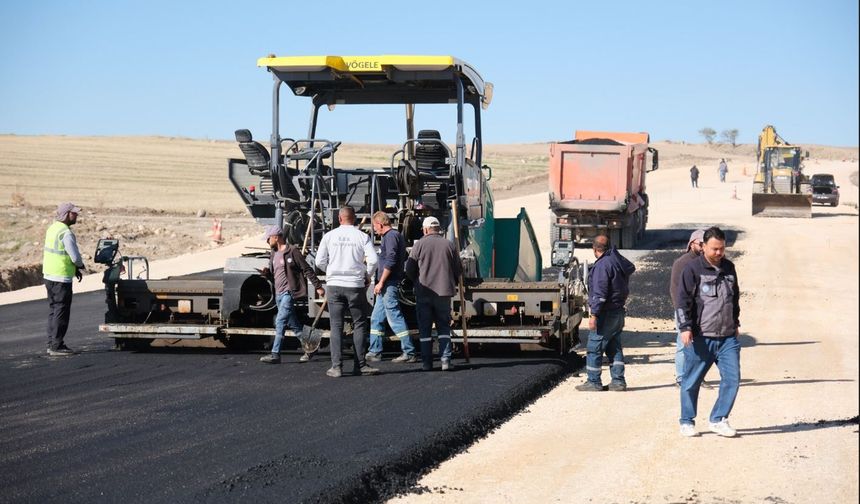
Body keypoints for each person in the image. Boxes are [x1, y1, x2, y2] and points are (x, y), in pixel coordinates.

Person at [677, 226, 741, 438]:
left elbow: (734, 298)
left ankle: (719, 419)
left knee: (732, 379)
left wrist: (735, 322)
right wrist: (685, 328)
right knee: (691, 381)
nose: (719, 253)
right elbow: (682, 301)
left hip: (727, 338)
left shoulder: (729, 268)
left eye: (722, 248)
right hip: (701, 337)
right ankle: (687, 421)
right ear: (703, 246)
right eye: (714, 249)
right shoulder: (692, 269)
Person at [315, 206, 380, 378]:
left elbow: (319, 261)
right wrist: (367, 275)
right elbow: (374, 260)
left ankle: (336, 367)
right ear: (355, 218)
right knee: (359, 324)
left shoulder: (329, 236)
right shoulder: (362, 236)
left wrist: (331, 271)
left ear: (339, 218)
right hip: (355, 285)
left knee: (336, 325)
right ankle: (361, 365)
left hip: (334, 285)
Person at [575, 234, 635, 392]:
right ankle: (618, 381)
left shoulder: (602, 266)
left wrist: (594, 315)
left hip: (606, 313)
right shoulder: (616, 261)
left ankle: (593, 381)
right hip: (618, 311)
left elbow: (600, 293)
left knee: (594, 347)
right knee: (614, 347)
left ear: (594, 249)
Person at [258, 225, 325, 364]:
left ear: (276, 237)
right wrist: (266, 274)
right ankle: (310, 347)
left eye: (268, 238)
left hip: (289, 293)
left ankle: (275, 354)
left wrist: (318, 286)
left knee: (280, 321)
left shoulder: (292, 251)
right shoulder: (273, 253)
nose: (267, 241)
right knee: (293, 323)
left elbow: (306, 269)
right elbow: (275, 274)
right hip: (278, 293)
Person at [404, 216, 461, 371]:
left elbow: (409, 269)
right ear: (438, 228)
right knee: (444, 327)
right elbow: (458, 269)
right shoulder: (449, 245)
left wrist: (416, 281)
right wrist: (452, 281)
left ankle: (427, 363)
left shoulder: (419, 245)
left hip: (424, 292)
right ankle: (445, 360)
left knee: (425, 329)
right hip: (444, 293)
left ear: (426, 229)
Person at [366, 211, 416, 364]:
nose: (374, 229)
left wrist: (381, 282)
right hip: (386, 284)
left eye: (374, 226)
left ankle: (409, 351)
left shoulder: (391, 237)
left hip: (388, 283)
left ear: (380, 224)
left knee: (394, 316)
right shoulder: (393, 236)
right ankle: (375, 351)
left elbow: (391, 260)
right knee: (376, 318)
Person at [42, 202, 87, 356]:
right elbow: (74, 256)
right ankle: (57, 346)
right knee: (61, 310)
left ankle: (51, 343)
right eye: (74, 213)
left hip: (49, 276)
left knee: (54, 310)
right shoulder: (66, 233)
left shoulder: (52, 228)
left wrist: (75, 269)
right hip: (61, 278)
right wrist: (80, 265)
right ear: (66, 214)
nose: (76, 215)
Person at [669, 229, 705, 386]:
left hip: (702, 312)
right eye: (701, 244)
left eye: (706, 244)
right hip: (685, 311)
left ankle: (697, 376)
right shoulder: (681, 263)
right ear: (692, 244)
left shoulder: (706, 262)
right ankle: (681, 378)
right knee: (683, 344)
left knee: (700, 345)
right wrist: (681, 311)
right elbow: (675, 290)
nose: (703, 247)